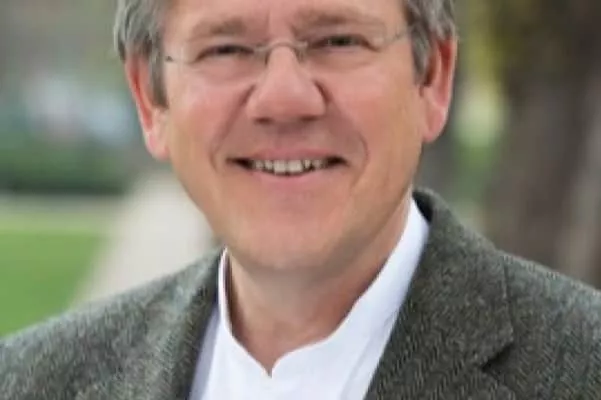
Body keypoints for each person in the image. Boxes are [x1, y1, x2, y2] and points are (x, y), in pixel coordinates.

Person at [1, 0, 601, 398]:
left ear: (432, 78)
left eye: (338, 40)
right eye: (226, 49)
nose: (284, 98)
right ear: (150, 98)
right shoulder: (29, 383)